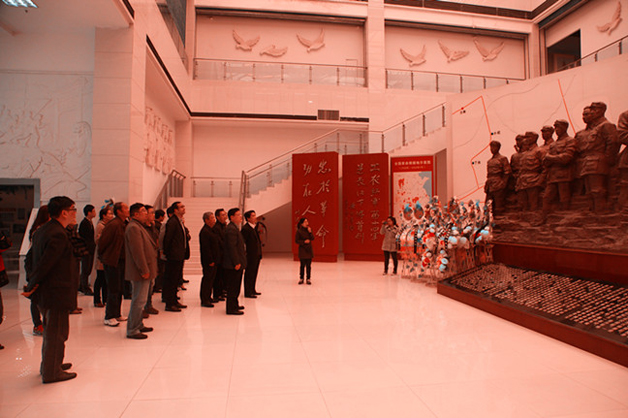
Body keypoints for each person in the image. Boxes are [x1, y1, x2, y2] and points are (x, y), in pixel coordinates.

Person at [23, 196, 78, 383]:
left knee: (52, 330)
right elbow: (46, 264)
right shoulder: (57, 234)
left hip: (48, 292)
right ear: (64, 212)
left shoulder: (44, 230)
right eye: (73, 209)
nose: (75, 213)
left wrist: (32, 282)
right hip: (56, 292)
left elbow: (30, 259)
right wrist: (32, 284)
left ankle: (51, 364)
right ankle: (52, 371)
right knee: (57, 332)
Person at [124, 203, 158, 340]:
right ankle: (132, 329)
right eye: (143, 211)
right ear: (136, 214)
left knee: (141, 300)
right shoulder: (133, 228)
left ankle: (139, 324)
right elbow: (137, 252)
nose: (146, 213)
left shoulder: (139, 226)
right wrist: (144, 269)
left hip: (146, 269)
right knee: (138, 300)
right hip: (140, 271)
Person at [98, 202, 129, 327]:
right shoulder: (113, 224)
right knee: (113, 289)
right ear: (119, 211)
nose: (128, 210)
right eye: (125, 208)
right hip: (112, 261)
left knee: (120, 288)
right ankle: (109, 316)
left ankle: (117, 313)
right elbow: (103, 242)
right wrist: (103, 257)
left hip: (121, 260)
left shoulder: (124, 223)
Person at [542, 120, 577, 212]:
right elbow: (545, 162)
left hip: (564, 175)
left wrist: (550, 158)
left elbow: (566, 158)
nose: (557, 130)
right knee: (546, 198)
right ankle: (545, 217)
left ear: (565, 128)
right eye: (555, 128)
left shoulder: (570, 141)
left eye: (559, 127)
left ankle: (565, 217)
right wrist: (551, 159)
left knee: (564, 198)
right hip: (552, 176)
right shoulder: (553, 144)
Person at [163, 201, 190, 312]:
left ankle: (174, 301)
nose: (184, 208)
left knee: (175, 280)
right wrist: (168, 253)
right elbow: (168, 239)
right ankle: (170, 303)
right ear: (175, 210)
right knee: (171, 280)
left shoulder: (179, 221)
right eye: (181, 207)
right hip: (173, 256)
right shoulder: (172, 222)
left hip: (179, 255)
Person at [26, 205, 49, 335]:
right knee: (35, 298)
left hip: (39, 267)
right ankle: (37, 324)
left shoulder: (46, 229)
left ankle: (43, 323)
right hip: (35, 266)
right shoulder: (38, 230)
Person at [223, 208, 247, 315]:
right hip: (233, 264)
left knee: (236, 286)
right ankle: (231, 308)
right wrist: (236, 262)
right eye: (238, 215)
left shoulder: (234, 228)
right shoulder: (231, 230)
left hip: (236, 263)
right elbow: (232, 248)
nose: (240, 216)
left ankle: (234, 304)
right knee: (233, 287)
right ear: (232, 217)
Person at [199, 211, 221, 307]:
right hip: (209, 261)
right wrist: (210, 260)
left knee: (211, 279)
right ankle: (205, 299)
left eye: (213, 218)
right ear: (206, 220)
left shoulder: (211, 230)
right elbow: (206, 248)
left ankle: (208, 297)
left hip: (214, 259)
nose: (214, 220)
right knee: (207, 279)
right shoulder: (205, 231)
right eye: (211, 218)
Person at [484, 140, 511, 215]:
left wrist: (503, 183)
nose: (492, 149)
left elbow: (507, 172)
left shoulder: (503, 159)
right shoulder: (489, 161)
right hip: (490, 184)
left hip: (498, 183)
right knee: (487, 205)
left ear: (498, 148)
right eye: (491, 147)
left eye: (494, 147)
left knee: (499, 204)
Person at [93, 206, 113, 307]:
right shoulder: (100, 226)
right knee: (100, 279)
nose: (111, 216)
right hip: (101, 255)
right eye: (109, 214)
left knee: (105, 279)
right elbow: (97, 240)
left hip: (106, 255)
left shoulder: (108, 225)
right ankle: (97, 300)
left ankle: (106, 299)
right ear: (104, 216)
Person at [241, 210, 262, 298]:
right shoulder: (246, 228)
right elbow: (243, 242)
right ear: (248, 218)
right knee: (249, 273)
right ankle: (248, 291)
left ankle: (252, 289)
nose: (255, 217)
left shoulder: (254, 227)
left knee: (254, 272)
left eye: (255, 215)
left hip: (256, 254)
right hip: (250, 255)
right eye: (253, 216)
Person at [143, 205, 159, 317]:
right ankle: (143, 307)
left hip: (153, 257)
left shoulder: (153, 226)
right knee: (144, 286)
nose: (153, 215)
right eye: (151, 213)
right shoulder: (141, 228)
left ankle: (149, 304)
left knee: (151, 284)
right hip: (145, 259)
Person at [78, 204, 96, 295]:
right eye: (93, 211)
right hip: (86, 250)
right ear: (89, 213)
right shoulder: (84, 223)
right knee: (85, 269)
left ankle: (82, 285)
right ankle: (84, 287)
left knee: (88, 269)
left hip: (90, 249)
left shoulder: (89, 222)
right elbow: (84, 238)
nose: (95, 213)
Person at [212, 208, 228, 303]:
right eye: (222, 215)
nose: (225, 216)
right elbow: (219, 241)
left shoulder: (224, 226)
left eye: (225, 214)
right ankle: (217, 294)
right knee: (218, 276)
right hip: (219, 255)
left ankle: (221, 291)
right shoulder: (216, 227)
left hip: (224, 255)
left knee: (223, 275)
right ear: (217, 217)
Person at [295, 217, 314, 285]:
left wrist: (310, 232)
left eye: (307, 221)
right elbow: (296, 241)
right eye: (305, 222)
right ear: (302, 224)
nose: (307, 223)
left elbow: (312, 238)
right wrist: (304, 242)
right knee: (302, 265)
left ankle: (308, 278)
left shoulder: (309, 230)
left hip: (309, 250)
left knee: (308, 266)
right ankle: (301, 278)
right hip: (302, 250)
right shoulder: (299, 231)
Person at [153, 209, 165, 293]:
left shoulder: (155, 225)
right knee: (160, 269)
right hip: (158, 251)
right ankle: (158, 286)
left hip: (157, 250)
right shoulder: (159, 226)